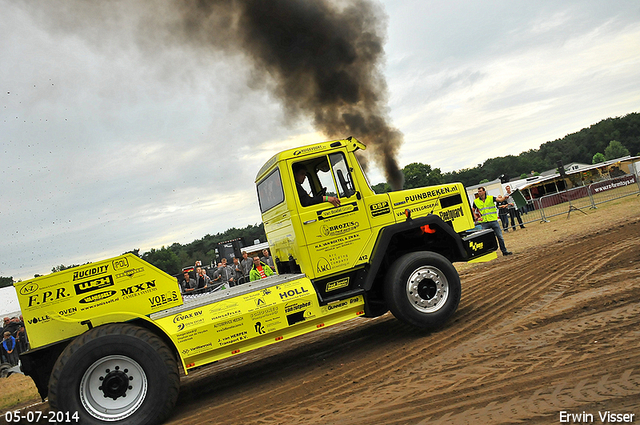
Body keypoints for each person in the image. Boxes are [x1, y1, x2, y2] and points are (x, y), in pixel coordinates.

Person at [473, 187, 512, 256]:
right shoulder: (476, 201)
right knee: (486, 239)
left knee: (500, 237)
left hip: (493, 221)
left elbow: (500, 200)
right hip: (484, 223)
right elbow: (472, 210)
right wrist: (477, 218)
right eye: (478, 191)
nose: (479, 193)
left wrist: (505, 198)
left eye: (480, 191)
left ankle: (504, 251)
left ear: (484, 192)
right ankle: (489, 254)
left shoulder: (491, 198)